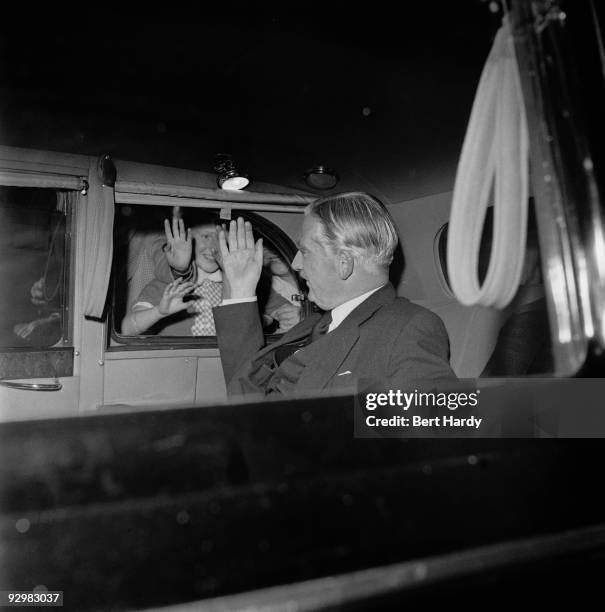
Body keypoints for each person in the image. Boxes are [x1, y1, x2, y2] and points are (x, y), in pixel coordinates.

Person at [212, 191, 457, 398]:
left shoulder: (411, 327)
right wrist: (241, 291)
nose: (296, 263)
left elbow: (441, 430)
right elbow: (246, 390)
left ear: (344, 263)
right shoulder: (313, 325)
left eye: (305, 251)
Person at [121, 217, 300, 336]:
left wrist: (291, 315)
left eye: (223, 239)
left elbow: (282, 310)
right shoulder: (170, 285)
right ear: (188, 240)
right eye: (206, 236)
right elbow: (127, 328)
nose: (214, 246)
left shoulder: (245, 283)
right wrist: (158, 312)